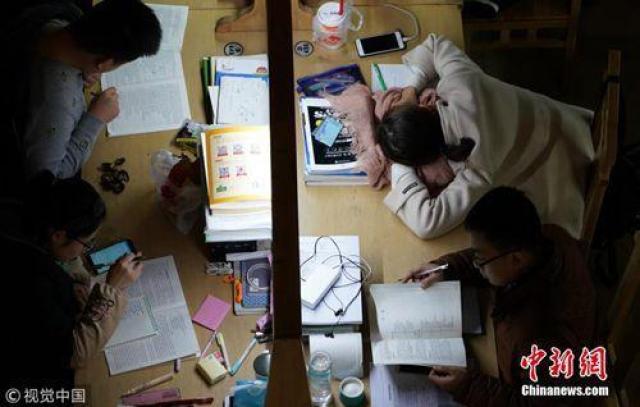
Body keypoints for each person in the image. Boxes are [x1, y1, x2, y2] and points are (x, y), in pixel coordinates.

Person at [377, 33, 595, 240]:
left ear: (428, 160)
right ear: (423, 107)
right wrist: (411, 89)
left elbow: (427, 223)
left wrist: (399, 164)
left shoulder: (475, 167)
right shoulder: (460, 83)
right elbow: (436, 44)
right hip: (575, 127)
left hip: (572, 180)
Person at [402, 187, 598, 406]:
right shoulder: (547, 238)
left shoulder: (541, 341)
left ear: (516, 260)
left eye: (480, 260)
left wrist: (468, 386)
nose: (476, 264)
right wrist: (445, 269)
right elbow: (489, 257)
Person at [2, 171, 144, 389]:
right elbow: (75, 354)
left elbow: (64, 258)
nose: (86, 250)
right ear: (58, 235)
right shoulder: (32, 283)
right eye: (87, 243)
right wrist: (112, 288)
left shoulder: (30, 215)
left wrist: (73, 281)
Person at [3, 0, 161, 181]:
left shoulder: (64, 14)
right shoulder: (57, 106)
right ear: (105, 63)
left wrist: (83, 69)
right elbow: (47, 172)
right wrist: (95, 119)